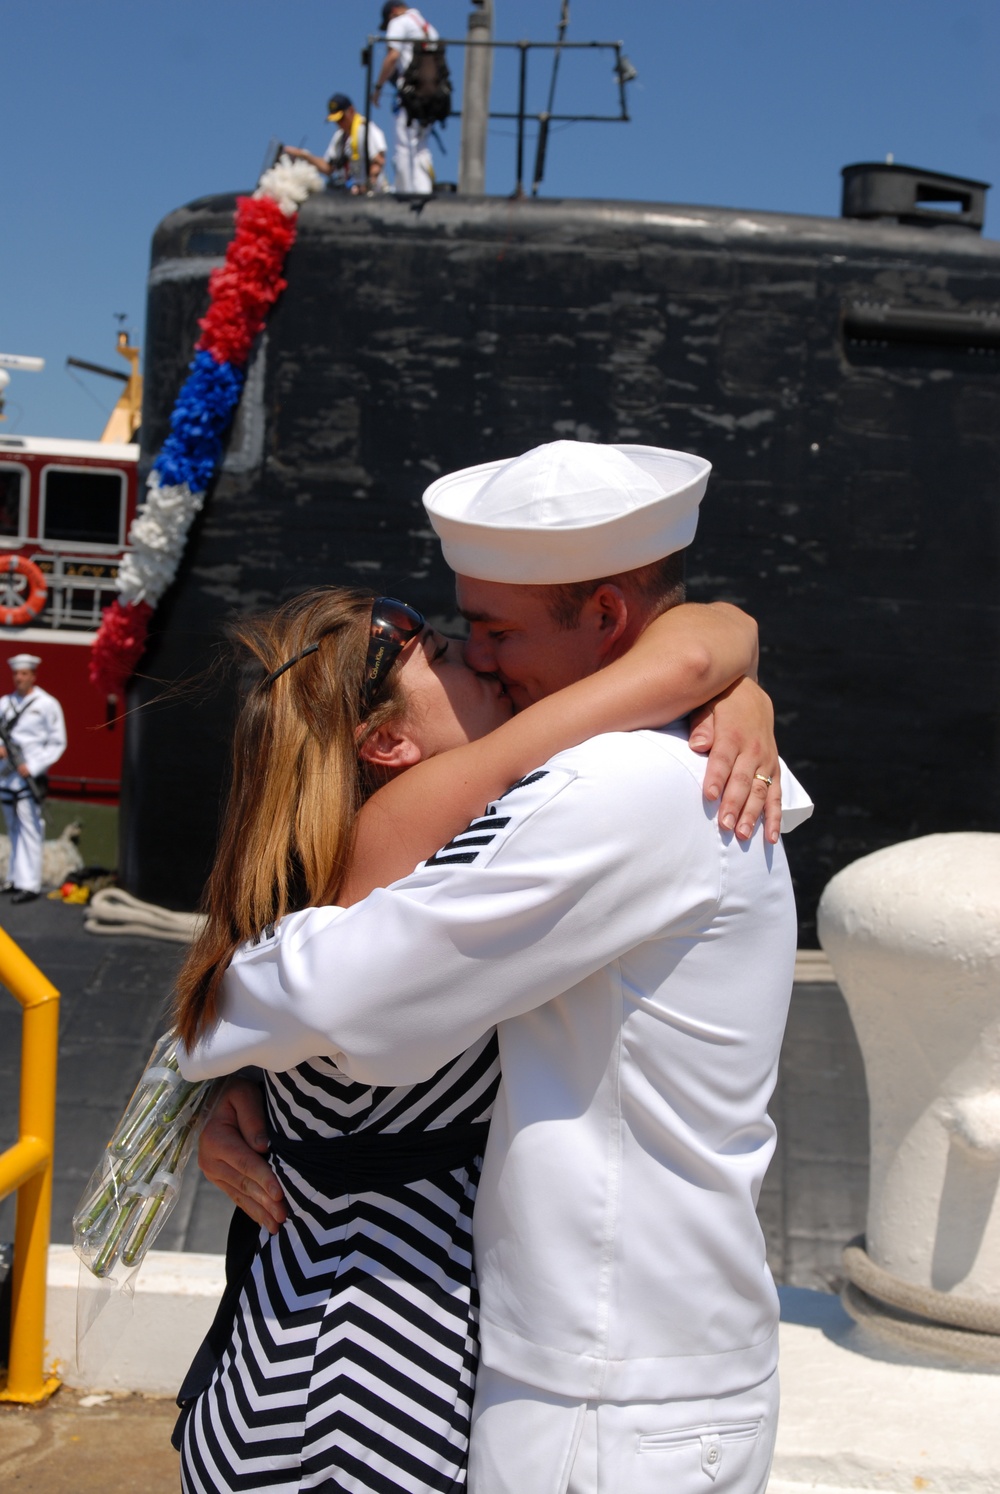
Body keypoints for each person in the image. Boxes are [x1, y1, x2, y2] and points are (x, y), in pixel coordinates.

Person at [189, 440, 813, 1493]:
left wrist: (209, 1038)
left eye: (495, 630)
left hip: (600, 1394)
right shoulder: (661, 761)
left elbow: (337, 989)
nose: (480, 658)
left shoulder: (615, 787)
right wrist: (707, 663)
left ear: (607, 619)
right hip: (608, 1368)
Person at [0, 652, 66, 903]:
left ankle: (30, 883)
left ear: (33, 676)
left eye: (24, 674)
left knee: (30, 826)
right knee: (12, 827)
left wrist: (35, 765)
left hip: (29, 776)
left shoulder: (46, 704)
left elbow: (58, 742)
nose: (19, 678)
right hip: (6, 776)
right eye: (16, 674)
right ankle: (15, 878)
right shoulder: (5, 703)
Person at [374, 3, 439, 195]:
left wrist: (378, 88)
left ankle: (403, 196)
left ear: (392, 13)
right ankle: (423, 193)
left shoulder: (399, 22)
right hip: (431, 97)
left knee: (403, 146)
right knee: (421, 149)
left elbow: (393, 56)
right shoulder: (428, 28)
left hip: (410, 95)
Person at [284, 93, 389, 194]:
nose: (338, 123)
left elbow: (379, 161)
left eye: (341, 119)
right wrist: (304, 155)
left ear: (351, 111)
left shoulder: (366, 130)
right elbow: (328, 167)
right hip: (349, 195)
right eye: (335, 120)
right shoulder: (339, 137)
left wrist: (366, 186)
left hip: (371, 195)